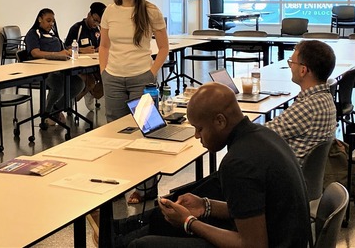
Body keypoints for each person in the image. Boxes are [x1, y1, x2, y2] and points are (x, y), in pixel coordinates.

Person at [129, 83, 311, 248]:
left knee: (142, 245)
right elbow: (255, 209)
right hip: (289, 239)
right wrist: (205, 206)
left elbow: (254, 245)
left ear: (220, 121)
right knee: (162, 221)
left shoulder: (238, 163)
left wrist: (189, 222)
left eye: (199, 129)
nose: (196, 136)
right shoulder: (263, 135)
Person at [99, 0, 169, 204]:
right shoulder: (110, 11)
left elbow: (163, 47)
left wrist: (151, 71)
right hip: (114, 78)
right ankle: (121, 182)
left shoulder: (150, 11)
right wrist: (104, 71)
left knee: (146, 132)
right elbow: (104, 46)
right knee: (117, 133)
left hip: (141, 76)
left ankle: (147, 188)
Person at [265, 39, 337, 163]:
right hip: (303, 174)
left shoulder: (308, 107)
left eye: (292, 63)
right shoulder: (325, 97)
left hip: (287, 176)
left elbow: (261, 134)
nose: (290, 67)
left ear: (303, 70)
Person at [24, 8, 84, 125]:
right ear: (40, 19)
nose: (51, 24)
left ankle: (56, 109)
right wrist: (56, 54)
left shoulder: (53, 34)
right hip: (42, 71)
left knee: (79, 83)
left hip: (59, 69)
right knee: (59, 84)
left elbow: (62, 49)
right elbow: (35, 53)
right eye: (48, 20)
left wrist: (68, 51)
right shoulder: (33, 34)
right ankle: (47, 113)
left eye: (53, 21)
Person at [64, 2, 106, 111]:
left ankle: (90, 93)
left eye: (99, 22)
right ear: (89, 15)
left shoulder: (99, 30)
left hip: (94, 63)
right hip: (79, 66)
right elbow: (66, 48)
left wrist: (99, 48)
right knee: (90, 82)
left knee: (107, 79)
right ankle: (70, 101)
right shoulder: (77, 28)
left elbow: (102, 45)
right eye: (95, 20)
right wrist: (82, 50)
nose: (96, 24)